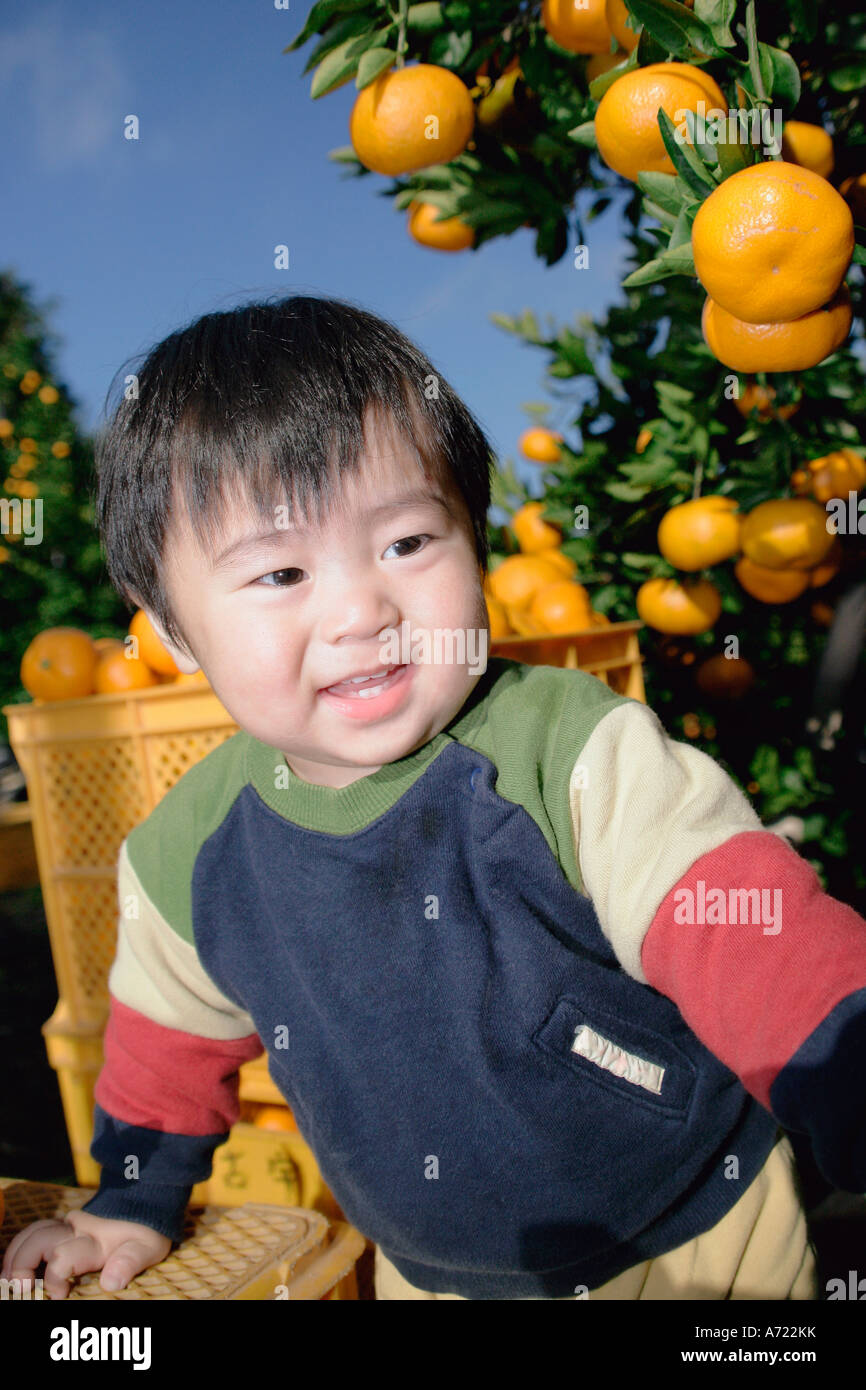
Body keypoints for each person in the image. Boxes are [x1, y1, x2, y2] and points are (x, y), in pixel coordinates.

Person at [3, 294, 864, 1301]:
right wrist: (131, 1199)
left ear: (474, 538)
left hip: (696, 1228)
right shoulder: (189, 853)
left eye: (407, 542)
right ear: (175, 636)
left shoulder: (562, 747)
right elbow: (165, 1040)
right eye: (280, 570)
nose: (362, 607)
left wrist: (838, 1062)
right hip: (434, 1275)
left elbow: (739, 927)